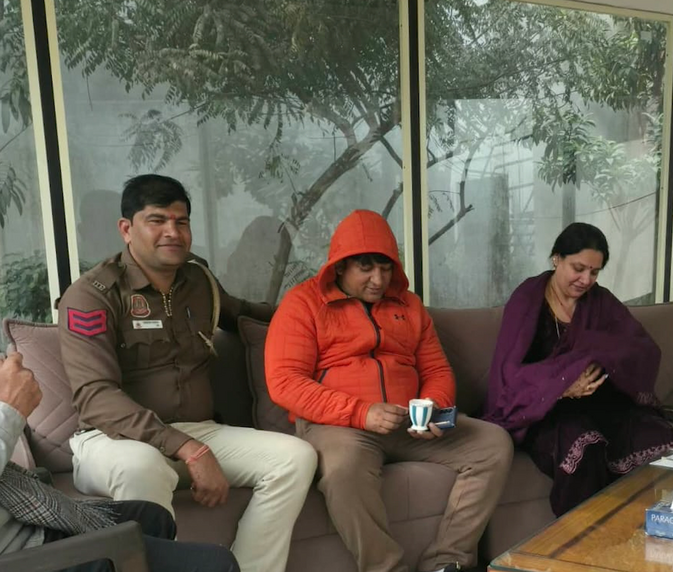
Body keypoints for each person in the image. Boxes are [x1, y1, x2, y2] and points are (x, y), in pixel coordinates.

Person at [57, 175, 317, 572]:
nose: (172, 232)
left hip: (197, 431)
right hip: (113, 440)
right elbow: (95, 396)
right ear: (126, 229)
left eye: (181, 222)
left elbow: (243, 313)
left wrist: (314, 309)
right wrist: (186, 448)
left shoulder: (199, 281)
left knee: (296, 458)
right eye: (157, 220)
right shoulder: (93, 295)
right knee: (141, 466)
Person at [264, 209, 513, 572]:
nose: (378, 280)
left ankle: (448, 560)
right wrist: (361, 413)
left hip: (407, 423)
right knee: (343, 470)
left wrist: (433, 406)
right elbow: (285, 381)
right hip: (339, 426)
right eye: (365, 268)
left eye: (385, 268)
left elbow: (436, 369)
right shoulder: (302, 304)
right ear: (340, 266)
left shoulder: (409, 306)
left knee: (493, 444)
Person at [483, 222, 673, 516]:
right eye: (578, 268)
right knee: (585, 449)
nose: (586, 280)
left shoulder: (600, 301)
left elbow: (639, 348)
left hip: (599, 403)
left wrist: (602, 363)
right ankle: (583, 538)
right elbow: (510, 373)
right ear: (557, 258)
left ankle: (647, 531)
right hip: (545, 410)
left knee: (654, 438)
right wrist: (563, 384)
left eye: (595, 272)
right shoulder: (527, 299)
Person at [0, 352, 240, 571]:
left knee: (154, 518)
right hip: (23, 555)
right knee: (219, 565)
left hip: (23, 518)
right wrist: (9, 410)